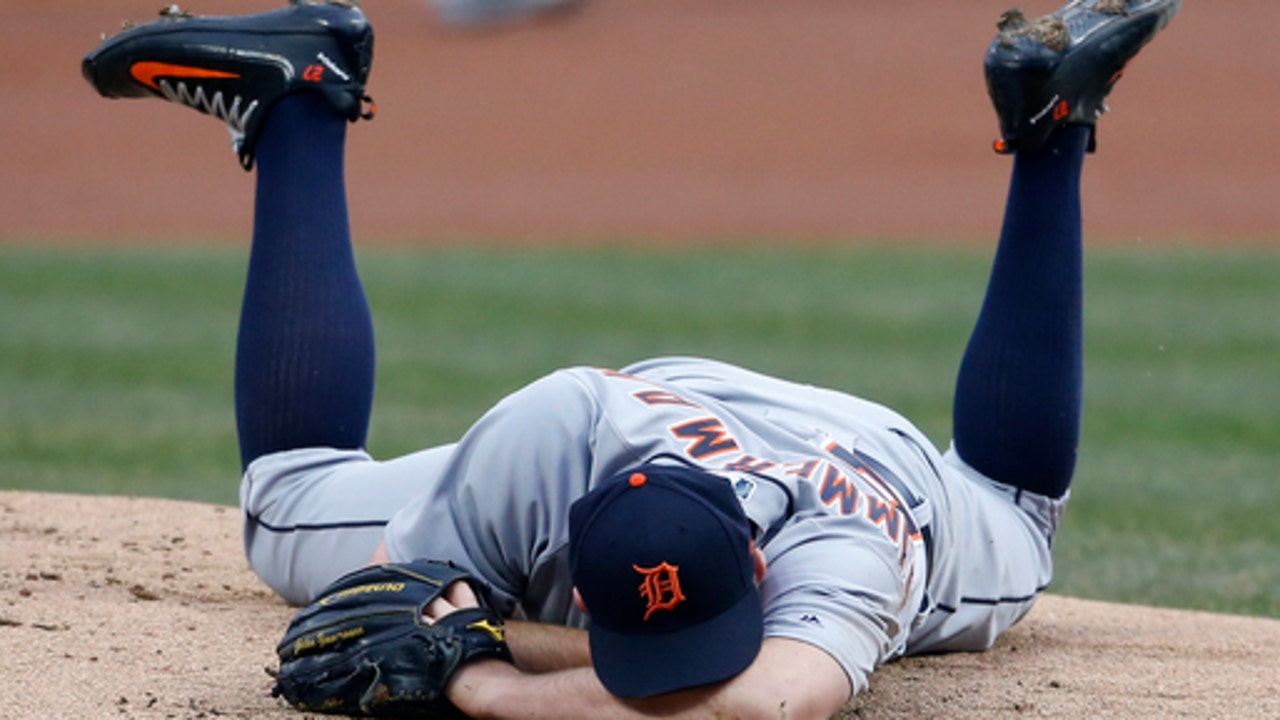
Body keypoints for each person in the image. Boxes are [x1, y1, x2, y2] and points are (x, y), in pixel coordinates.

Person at [83, 0, 1181, 717]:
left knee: (1009, 512)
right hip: (643, 408)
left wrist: (486, 682)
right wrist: (469, 625)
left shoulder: (844, 561)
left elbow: (754, 705)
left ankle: (1049, 127)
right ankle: (301, 95)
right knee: (283, 510)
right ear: (563, 571)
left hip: (880, 464)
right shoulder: (545, 440)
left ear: (758, 575)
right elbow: (415, 595)